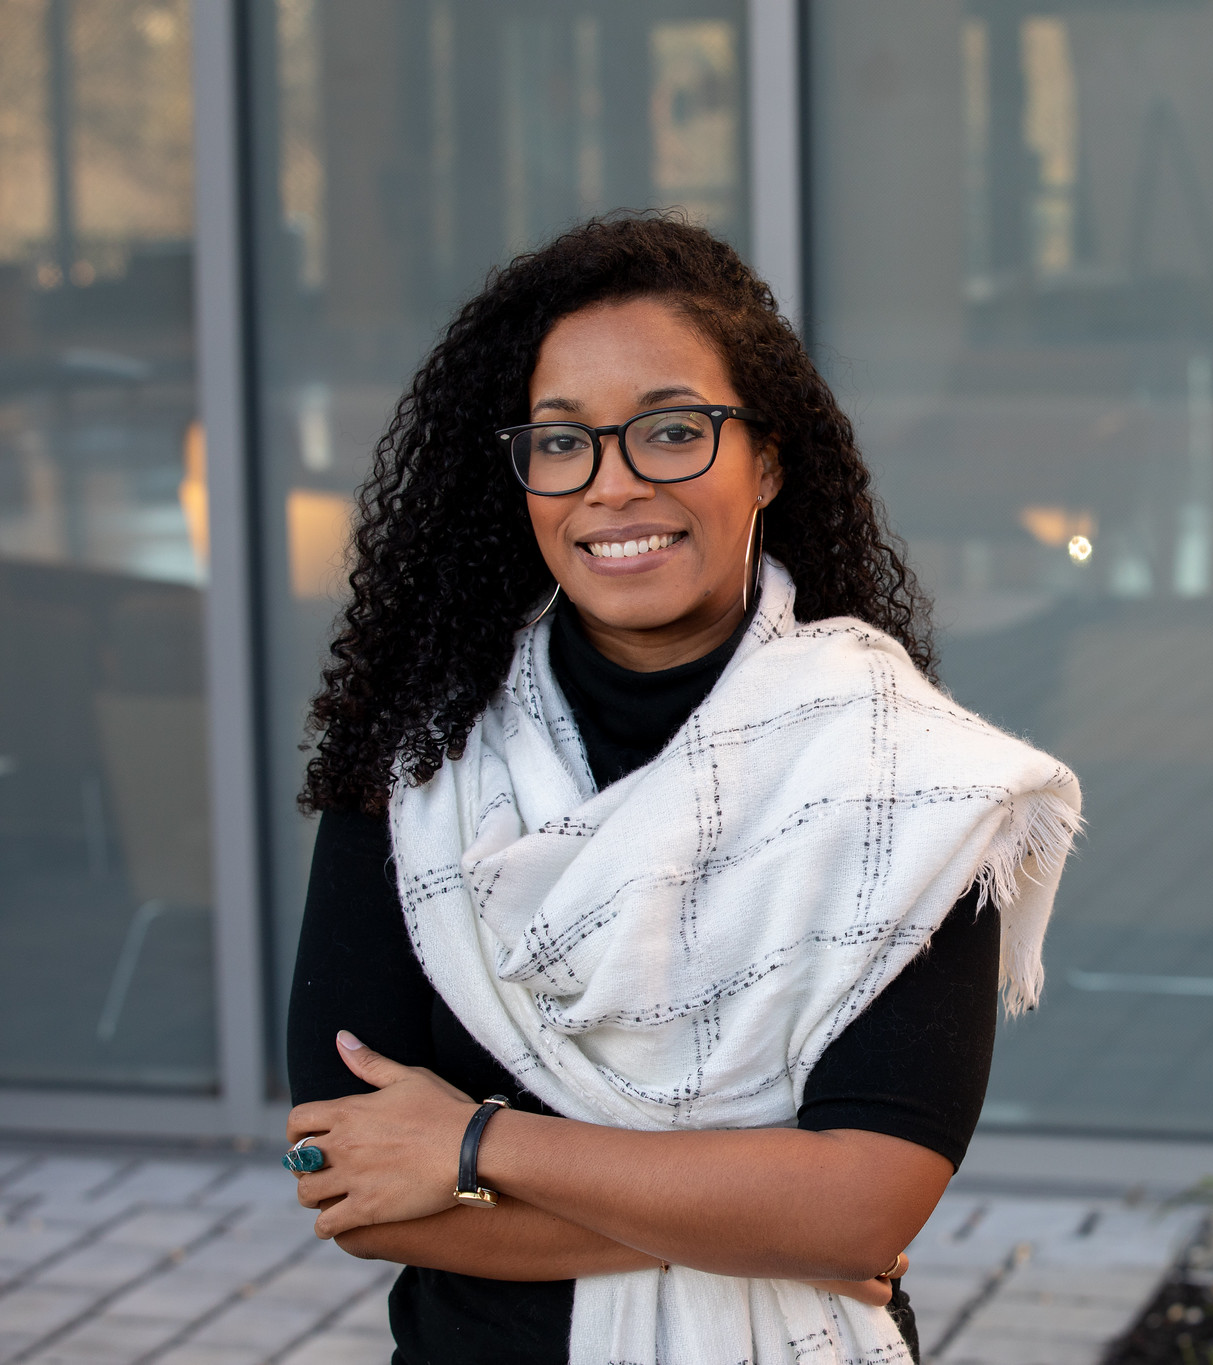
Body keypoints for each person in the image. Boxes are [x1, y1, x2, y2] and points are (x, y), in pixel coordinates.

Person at [282, 214, 1081, 1365]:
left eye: (670, 430)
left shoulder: (911, 786)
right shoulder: (419, 769)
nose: (610, 486)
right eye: (562, 444)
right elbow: (349, 1188)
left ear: (766, 457)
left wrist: (471, 1145)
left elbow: (863, 1207)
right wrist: (764, 1219)